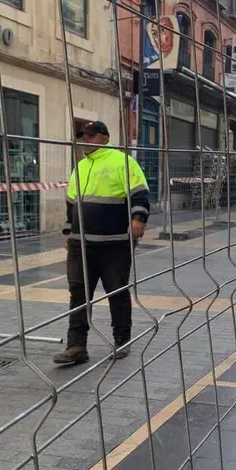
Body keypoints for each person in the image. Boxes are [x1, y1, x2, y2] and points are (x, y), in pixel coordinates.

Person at [53, 121, 150, 366]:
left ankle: (122, 340)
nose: (86, 139)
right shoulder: (80, 167)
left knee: (116, 291)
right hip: (81, 244)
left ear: (105, 138)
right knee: (78, 293)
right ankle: (76, 345)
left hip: (115, 243)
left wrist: (138, 219)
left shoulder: (123, 161)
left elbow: (139, 193)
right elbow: (71, 204)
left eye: (91, 135)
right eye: (83, 135)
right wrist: (68, 230)